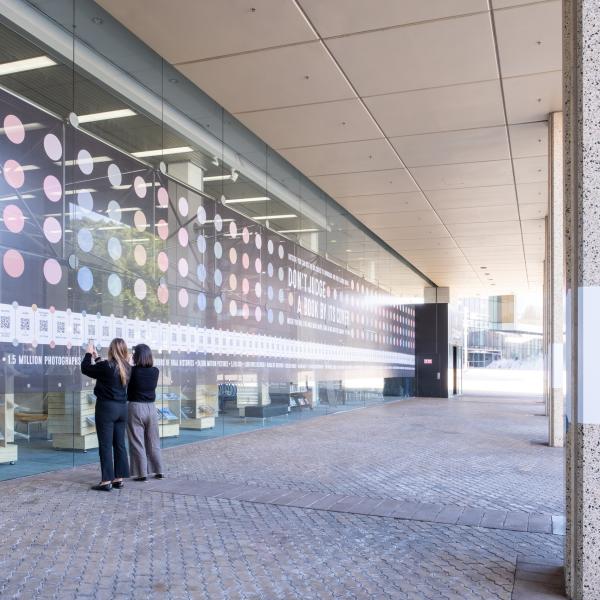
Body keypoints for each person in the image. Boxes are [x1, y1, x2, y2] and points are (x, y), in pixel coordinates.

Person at [81, 338, 131, 491]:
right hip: (122, 409)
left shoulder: (106, 366)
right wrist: (97, 357)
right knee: (120, 444)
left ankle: (106, 481)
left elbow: (86, 368)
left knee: (105, 445)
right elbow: (107, 371)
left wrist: (88, 353)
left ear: (111, 350)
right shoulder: (127, 367)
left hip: (106, 408)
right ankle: (118, 479)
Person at [127, 343, 164, 481]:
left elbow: (126, 375)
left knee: (137, 441)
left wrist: (130, 362)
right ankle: (159, 470)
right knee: (153, 441)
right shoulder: (155, 371)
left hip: (136, 407)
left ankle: (142, 473)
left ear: (137, 356)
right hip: (151, 408)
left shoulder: (132, 371)